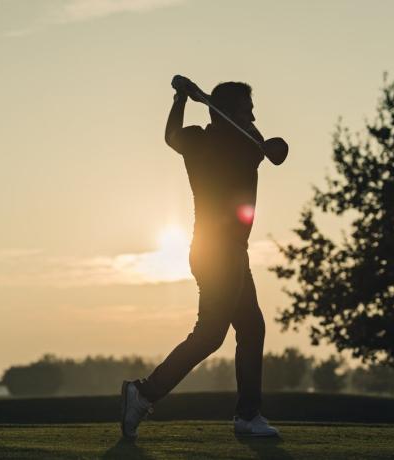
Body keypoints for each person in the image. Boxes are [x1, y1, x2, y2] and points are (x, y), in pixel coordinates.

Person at [120, 75, 289, 440]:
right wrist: (182, 98)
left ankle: (247, 415)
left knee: (250, 328)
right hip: (218, 253)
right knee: (211, 334)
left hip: (228, 253)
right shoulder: (219, 143)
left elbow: (271, 149)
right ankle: (145, 392)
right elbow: (171, 136)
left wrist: (186, 99)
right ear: (228, 112)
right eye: (247, 109)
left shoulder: (239, 144)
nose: (253, 116)